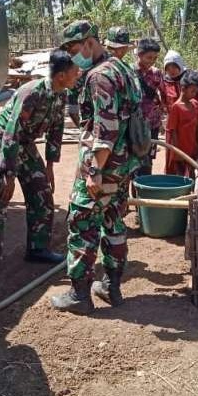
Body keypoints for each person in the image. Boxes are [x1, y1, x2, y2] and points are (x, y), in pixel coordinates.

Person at [50, 31, 142, 314]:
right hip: (123, 166)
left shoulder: (99, 76)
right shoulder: (122, 68)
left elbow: (106, 129)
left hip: (104, 166)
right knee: (114, 223)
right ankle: (110, 288)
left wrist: (94, 171)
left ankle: (80, 296)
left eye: (74, 48)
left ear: (89, 43)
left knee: (81, 222)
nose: (72, 56)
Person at [0, 50, 80, 284]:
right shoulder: (31, 92)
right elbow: (11, 134)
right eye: (75, 72)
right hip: (1, 141)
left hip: (25, 142)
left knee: (42, 194)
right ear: (62, 75)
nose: (78, 75)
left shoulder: (60, 95)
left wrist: (50, 166)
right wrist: (9, 175)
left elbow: (55, 131)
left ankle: (37, 248)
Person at [63, 21, 111, 128]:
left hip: (110, 142)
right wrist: (85, 131)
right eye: (70, 53)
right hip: (92, 141)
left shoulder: (114, 72)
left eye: (74, 51)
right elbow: (72, 109)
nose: (73, 57)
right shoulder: (79, 75)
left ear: (89, 43)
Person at [133, 38, 164, 176]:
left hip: (152, 124)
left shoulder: (157, 73)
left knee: (148, 161)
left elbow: (161, 95)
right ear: (139, 54)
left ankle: (142, 193)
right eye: (148, 57)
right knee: (133, 160)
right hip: (134, 124)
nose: (151, 61)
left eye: (155, 58)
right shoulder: (130, 72)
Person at [165, 71, 198, 177]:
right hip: (180, 153)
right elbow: (172, 132)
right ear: (183, 89)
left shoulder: (195, 105)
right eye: (192, 91)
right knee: (180, 178)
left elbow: (197, 129)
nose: (194, 94)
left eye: (196, 92)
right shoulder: (176, 108)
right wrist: (178, 152)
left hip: (192, 149)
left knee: (192, 176)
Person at [161, 49, 187, 115]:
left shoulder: (189, 78)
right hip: (173, 116)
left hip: (189, 116)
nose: (171, 71)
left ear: (180, 65)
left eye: (174, 67)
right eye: (168, 69)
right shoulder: (165, 82)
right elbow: (163, 97)